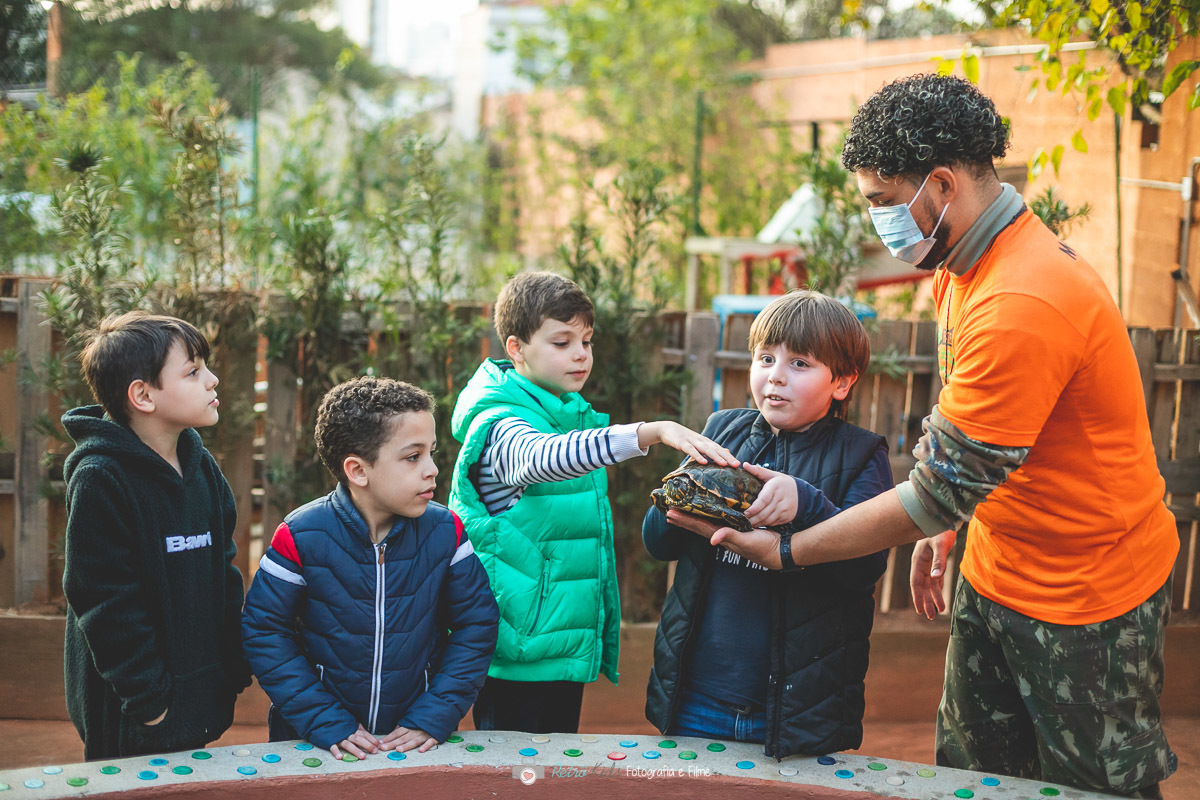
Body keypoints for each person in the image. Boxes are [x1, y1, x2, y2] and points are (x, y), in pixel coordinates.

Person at [668, 74, 1178, 797]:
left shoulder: (1022, 299)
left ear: (940, 184)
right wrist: (946, 530)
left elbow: (938, 488)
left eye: (882, 201)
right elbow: (975, 445)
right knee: (973, 781)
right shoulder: (958, 270)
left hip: (1088, 598)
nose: (878, 221)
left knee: (1093, 788)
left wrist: (790, 551)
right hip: (998, 570)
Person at [449, 271, 735, 734]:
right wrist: (648, 432)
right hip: (517, 656)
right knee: (516, 780)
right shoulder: (500, 422)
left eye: (586, 340)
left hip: (558, 650)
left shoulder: (562, 413)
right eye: (562, 342)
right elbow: (536, 459)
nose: (581, 354)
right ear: (516, 348)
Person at [642, 290, 891, 758]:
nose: (775, 375)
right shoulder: (722, 432)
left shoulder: (861, 454)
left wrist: (806, 504)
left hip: (798, 707)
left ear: (842, 381)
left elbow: (865, 564)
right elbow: (658, 544)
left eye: (800, 364)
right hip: (697, 694)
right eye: (766, 357)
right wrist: (676, 499)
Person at [242, 377, 498, 759]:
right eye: (413, 457)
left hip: (414, 745)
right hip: (316, 743)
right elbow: (264, 630)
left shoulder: (446, 532)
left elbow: (476, 624)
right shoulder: (299, 536)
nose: (432, 470)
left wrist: (435, 714)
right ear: (358, 471)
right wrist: (323, 719)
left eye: (431, 453)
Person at [62, 311, 251, 761]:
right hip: (131, 712)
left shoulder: (203, 469)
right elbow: (104, 602)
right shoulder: (100, 479)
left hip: (198, 694)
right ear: (143, 395)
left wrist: (231, 668)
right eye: (193, 371)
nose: (213, 379)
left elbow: (222, 571)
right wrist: (150, 704)